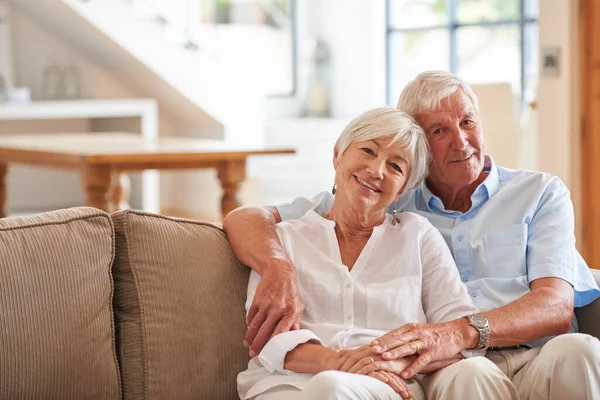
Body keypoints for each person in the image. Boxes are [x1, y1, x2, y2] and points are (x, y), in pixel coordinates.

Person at [224, 71, 600, 399]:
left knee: (582, 351)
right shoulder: (387, 196)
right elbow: (250, 218)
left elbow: (554, 305)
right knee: (469, 375)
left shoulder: (540, 193)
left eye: (468, 123)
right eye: (440, 130)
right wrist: (278, 266)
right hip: (446, 367)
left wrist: (458, 334)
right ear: (418, 143)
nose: (461, 141)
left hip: (527, 355)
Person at [236, 107, 515, 400]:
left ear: (401, 191)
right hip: (292, 385)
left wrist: (396, 361)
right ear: (337, 155)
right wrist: (343, 363)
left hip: (387, 384)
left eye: (395, 167)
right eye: (368, 150)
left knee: (477, 371)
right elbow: (269, 337)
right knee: (331, 387)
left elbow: (456, 330)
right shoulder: (284, 239)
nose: (377, 170)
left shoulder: (418, 235)